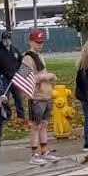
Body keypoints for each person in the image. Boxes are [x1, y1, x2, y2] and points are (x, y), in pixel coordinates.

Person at [21, 30, 59, 165]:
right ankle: (34, 153)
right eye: (37, 42)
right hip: (36, 96)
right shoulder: (27, 58)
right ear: (31, 42)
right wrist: (45, 77)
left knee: (44, 124)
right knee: (35, 125)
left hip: (46, 94)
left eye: (41, 42)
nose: (40, 45)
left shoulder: (40, 56)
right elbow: (25, 77)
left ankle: (44, 150)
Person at [0, 31, 24, 119]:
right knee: (5, 98)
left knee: (18, 98)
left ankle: (21, 116)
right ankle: (7, 115)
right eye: (5, 38)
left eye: (8, 38)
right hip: (4, 78)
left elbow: (20, 61)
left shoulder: (15, 50)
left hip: (15, 78)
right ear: (2, 39)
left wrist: (18, 73)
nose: (7, 40)